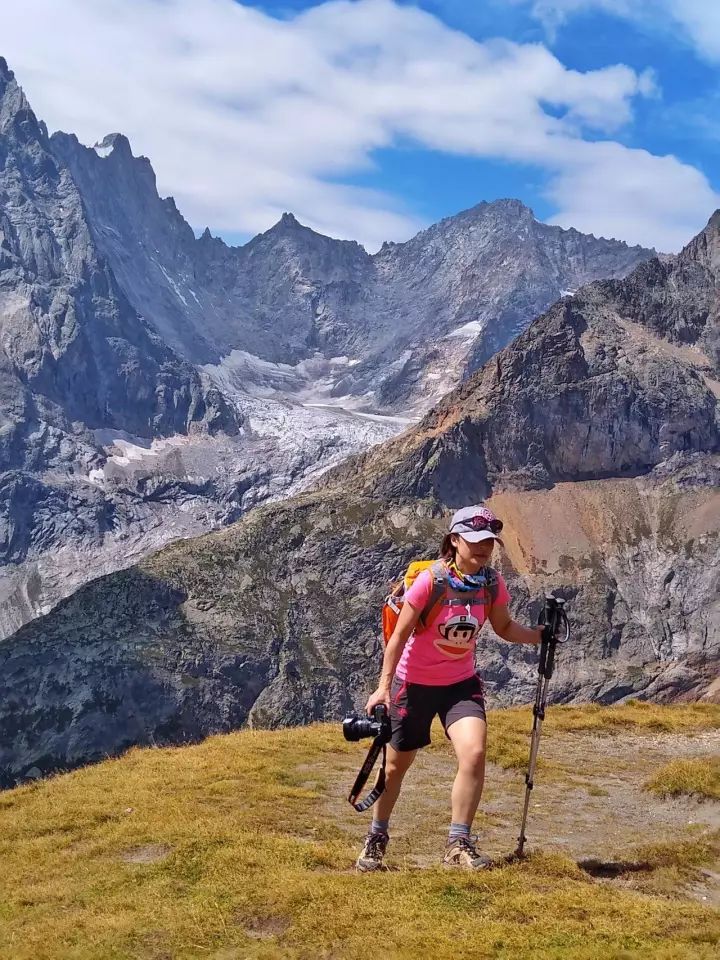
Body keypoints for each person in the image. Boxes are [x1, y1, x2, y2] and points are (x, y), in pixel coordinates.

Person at [356, 504, 542, 872]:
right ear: (454, 540)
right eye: (475, 541)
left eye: (489, 541)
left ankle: (458, 843)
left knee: (473, 754)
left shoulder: (491, 583)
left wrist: (540, 637)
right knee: (395, 768)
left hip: (460, 685)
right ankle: (377, 837)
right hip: (415, 684)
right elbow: (398, 637)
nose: (484, 548)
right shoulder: (432, 581)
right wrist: (383, 688)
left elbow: (504, 627)